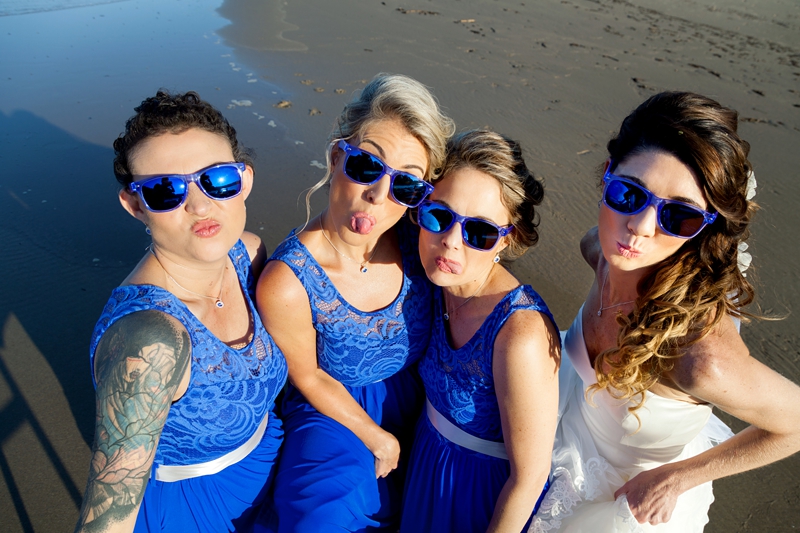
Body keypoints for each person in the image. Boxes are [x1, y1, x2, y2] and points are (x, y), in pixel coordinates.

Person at [530, 92, 800, 532]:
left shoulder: (701, 358)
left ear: (705, 227)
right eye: (628, 194)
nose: (640, 226)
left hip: (624, 506)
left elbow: (795, 423)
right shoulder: (600, 249)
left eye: (679, 216)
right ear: (607, 175)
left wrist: (676, 479)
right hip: (566, 445)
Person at [74, 90, 288, 533]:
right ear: (135, 206)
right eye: (165, 190)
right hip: (196, 510)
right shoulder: (149, 340)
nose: (200, 204)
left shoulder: (246, 255)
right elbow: (105, 518)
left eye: (218, 179)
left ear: (244, 179)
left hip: (271, 470)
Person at [255, 73, 455, 531]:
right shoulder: (288, 280)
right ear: (335, 156)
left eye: (406, 185)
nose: (379, 196)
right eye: (368, 167)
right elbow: (306, 375)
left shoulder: (418, 241)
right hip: (336, 415)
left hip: (421, 406)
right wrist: (375, 436)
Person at [400, 130, 561, 532]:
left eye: (480, 232)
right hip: (426, 466)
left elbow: (528, 478)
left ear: (509, 239)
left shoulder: (520, 334)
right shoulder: (429, 283)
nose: (451, 241)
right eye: (438, 215)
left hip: (482, 497)